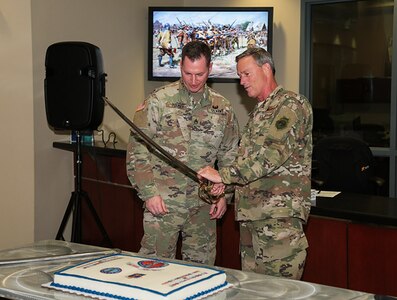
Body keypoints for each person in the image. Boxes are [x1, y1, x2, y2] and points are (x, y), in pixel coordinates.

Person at [198, 47, 313, 279]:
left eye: (246, 74)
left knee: (280, 294)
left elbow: (270, 156)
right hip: (252, 220)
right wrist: (225, 187)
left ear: (266, 69)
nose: (242, 81)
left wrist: (224, 175)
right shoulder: (259, 113)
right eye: (240, 75)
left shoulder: (290, 105)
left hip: (277, 221)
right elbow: (248, 164)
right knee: (254, 291)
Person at [126, 41, 240, 265]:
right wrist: (149, 193)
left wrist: (225, 195)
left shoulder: (223, 107)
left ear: (210, 68)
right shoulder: (158, 101)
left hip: (203, 207)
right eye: (188, 73)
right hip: (163, 203)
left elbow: (230, 155)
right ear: (180, 67)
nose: (193, 80)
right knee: (153, 269)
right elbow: (137, 151)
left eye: (199, 74)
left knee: (201, 272)